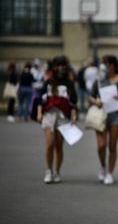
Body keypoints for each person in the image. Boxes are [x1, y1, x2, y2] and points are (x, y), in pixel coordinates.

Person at [88, 55, 118, 185]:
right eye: (102, 64)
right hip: (101, 115)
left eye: (106, 64)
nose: (104, 67)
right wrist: (96, 102)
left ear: (112, 65)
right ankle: (102, 167)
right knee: (101, 146)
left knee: (112, 146)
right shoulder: (99, 80)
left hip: (116, 116)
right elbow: (91, 96)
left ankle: (110, 173)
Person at [37, 55, 78, 184]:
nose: (61, 67)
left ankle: (57, 172)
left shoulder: (69, 83)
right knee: (50, 144)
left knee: (59, 146)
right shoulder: (49, 82)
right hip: (49, 115)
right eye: (58, 65)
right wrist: (39, 113)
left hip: (63, 117)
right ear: (54, 66)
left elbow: (73, 102)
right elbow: (40, 99)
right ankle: (48, 171)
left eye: (63, 65)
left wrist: (74, 115)